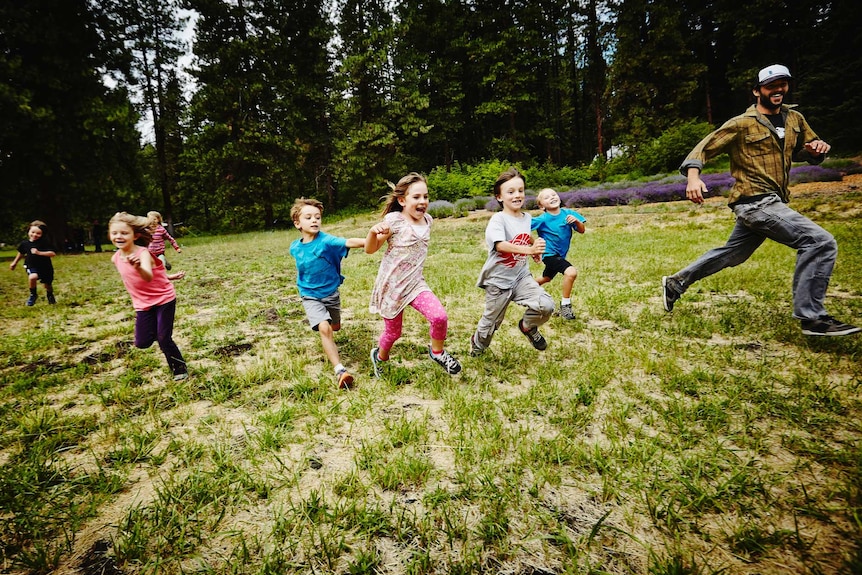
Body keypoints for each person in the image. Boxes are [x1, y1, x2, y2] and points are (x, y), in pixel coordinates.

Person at [662, 64, 860, 337]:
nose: (778, 89)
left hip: (774, 201)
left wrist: (817, 150)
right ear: (758, 91)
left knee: (734, 254)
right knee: (819, 241)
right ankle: (812, 318)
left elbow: (804, 152)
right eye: (772, 86)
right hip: (754, 202)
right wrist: (693, 178)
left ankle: (676, 282)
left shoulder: (795, 119)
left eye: (783, 84)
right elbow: (704, 147)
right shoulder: (742, 124)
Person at [366, 173, 462, 376]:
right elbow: (370, 249)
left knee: (439, 317)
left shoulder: (428, 220)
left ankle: (437, 352)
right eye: (416, 197)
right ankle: (380, 356)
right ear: (402, 200)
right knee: (393, 333)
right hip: (392, 287)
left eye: (425, 197)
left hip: (416, 285)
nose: (423, 202)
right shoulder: (394, 221)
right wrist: (373, 233)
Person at [470, 167, 555, 355]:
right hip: (498, 281)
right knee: (491, 322)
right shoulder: (498, 220)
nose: (517, 195)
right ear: (499, 197)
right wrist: (529, 249)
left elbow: (524, 233)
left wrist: (533, 248)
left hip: (521, 276)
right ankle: (478, 345)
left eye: (520, 190)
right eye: (510, 192)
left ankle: (528, 327)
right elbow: (500, 245)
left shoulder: (526, 217)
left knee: (546, 306)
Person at [289, 198, 366, 389]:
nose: (314, 220)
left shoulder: (327, 241)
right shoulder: (295, 247)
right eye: (308, 217)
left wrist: (372, 239)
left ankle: (335, 322)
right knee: (324, 328)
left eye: (317, 217)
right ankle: (340, 370)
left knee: (334, 325)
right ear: (297, 223)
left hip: (331, 293)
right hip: (309, 295)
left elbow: (349, 241)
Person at [109, 212, 189, 380]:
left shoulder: (142, 254)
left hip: (164, 299)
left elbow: (147, 276)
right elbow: (156, 275)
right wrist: (168, 276)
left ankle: (179, 369)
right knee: (142, 343)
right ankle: (156, 329)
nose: (118, 236)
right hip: (142, 304)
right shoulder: (116, 258)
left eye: (124, 233)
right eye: (114, 233)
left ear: (135, 235)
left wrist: (137, 266)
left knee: (163, 338)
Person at [531, 188, 587, 320]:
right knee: (571, 272)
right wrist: (535, 246)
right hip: (549, 254)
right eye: (546, 197)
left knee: (546, 279)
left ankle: (522, 288)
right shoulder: (543, 218)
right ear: (541, 206)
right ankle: (565, 306)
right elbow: (523, 228)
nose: (551, 197)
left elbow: (582, 230)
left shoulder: (568, 214)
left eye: (554, 195)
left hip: (560, 255)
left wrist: (577, 222)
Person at [9, 220, 57, 306]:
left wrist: (39, 253)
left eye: (38, 233)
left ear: (42, 234)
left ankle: (50, 295)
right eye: (33, 232)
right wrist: (14, 263)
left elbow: (52, 253)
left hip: (45, 266)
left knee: (47, 284)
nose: (35, 235)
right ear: (29, 231)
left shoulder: (44, 243)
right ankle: (33, 295)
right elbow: (21, 253)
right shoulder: (25, 244)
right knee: (32, 277)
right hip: (31, 265)